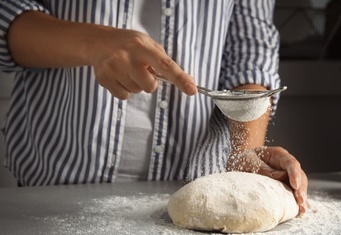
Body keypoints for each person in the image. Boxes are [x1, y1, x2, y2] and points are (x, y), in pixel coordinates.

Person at [0, 0, 307, 213]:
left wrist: (245, 154)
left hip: (194, 186)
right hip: (51, 185)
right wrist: (94, 43)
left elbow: (249, 49)